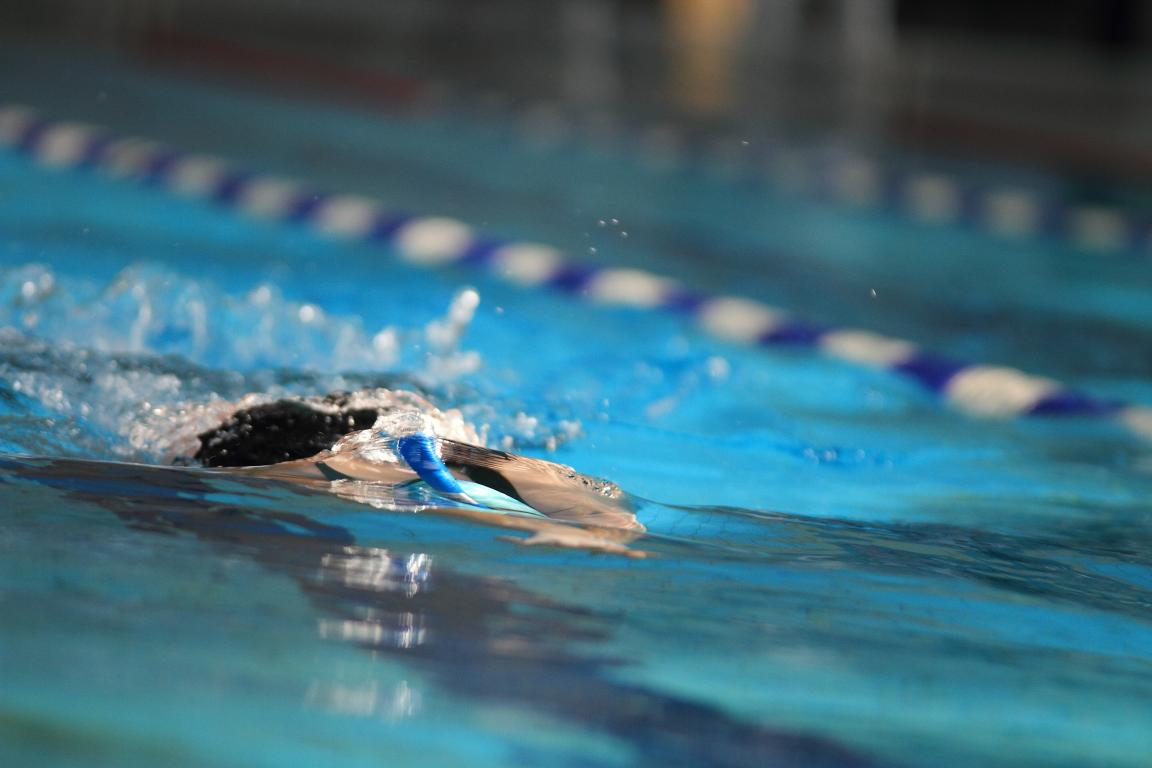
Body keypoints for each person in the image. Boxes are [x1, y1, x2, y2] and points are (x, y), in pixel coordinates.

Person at [194, 389, 645, 554]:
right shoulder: (338, 470)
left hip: (378, 427)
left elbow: (597, 500)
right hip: (284, 445)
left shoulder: (436, 449)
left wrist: (596, 531)